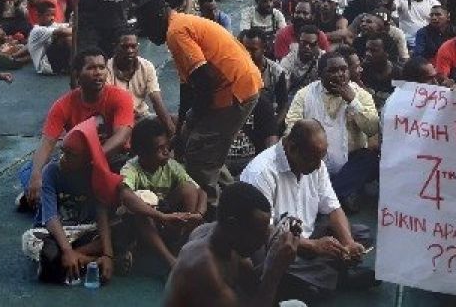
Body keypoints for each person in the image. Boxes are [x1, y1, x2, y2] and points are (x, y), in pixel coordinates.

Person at [136, 0, 262, 202]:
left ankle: (212, 210)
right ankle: (234, 200)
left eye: (147, 27)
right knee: (204, 149)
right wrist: (181, 129)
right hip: (239, 87)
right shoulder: (180, 25)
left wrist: (193, 120)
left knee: (198, 155)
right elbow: (188, 87)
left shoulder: (176, 32)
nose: (147, 34)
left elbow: (205, 82)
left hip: (233, 91)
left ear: (158, 16)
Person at [239, 120, 374, 302]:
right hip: (277, 246)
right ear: (293, 148)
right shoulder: (261, 173)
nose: (319, 166)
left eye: (321, 158)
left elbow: (333, 207)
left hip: (307, 237)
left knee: (360, 234)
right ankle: (337, 277)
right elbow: (266, 233)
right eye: (313, 159)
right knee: (277, 261)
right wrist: (315, 246)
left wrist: (348, 243)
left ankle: (321, 277)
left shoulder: (314, 162)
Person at [20, 48, 135, 210]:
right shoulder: (63, 105)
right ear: (77, 74)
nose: (98, 73)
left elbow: (122, 136)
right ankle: (45, 197)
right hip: (79, 162)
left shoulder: (120, 97)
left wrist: (92, 159)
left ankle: (61, 198)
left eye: (102, 67)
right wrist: (36, 175)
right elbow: (47, 142)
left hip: (114, 160)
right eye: (91, 68)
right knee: (31, 170)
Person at [163, 181, 299, 307]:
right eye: (258, 233)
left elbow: (251, 284)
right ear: (233, 225)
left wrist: (275, 253)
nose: (264, 239)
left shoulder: (224, 240)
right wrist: (274, 272)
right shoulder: (204, 270)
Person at [31, 117, 123, 285]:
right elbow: (50, 217)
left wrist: (108, 253)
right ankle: (91, 261)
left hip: (87, 233)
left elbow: (101, 213)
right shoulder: (51, 171)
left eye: (71, 155)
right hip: (57, 232)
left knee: (122, 231)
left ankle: (81, 257)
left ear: (87, 159)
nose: (63, 158)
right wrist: (66, 249)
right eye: (62, 151)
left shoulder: (95, 173)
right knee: (41, 250)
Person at [285, 50, 380, 208]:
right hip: (313, 162)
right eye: (332, 71)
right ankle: (341, 196)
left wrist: (353, 102)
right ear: (320, 74)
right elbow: (291, 130)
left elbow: (372, 128)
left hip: (350, 164)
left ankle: (325, 197)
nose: (339, 75)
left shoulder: (361, 95)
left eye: (343, 69)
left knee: (368, 159)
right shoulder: (304, 95)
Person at [119, 118, 206, 268]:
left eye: (167, 146)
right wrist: (161, 216)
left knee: (188, 188)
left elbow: (200, 191)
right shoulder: (131, 169)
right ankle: (170, 261)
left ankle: (182, 247)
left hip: (167, 217)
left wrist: (198, 213)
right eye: (160, 149)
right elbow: (125, 195)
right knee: (142, 212)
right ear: (142, 153)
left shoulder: (171, 165)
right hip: (142, 225)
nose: (167, 152)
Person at [107, 33, 174, 132]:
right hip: (119, 120)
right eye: (125, 47)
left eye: (133, 46)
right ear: (117, 48)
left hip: (142, 116)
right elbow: (109, 103)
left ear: (138, 47)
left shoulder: (147, 66)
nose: (130, 51)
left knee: (175, 120)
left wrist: (171, 130)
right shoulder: (107, 68)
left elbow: (156, 100)